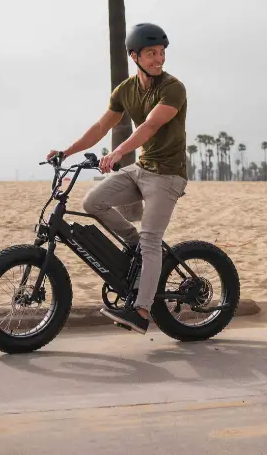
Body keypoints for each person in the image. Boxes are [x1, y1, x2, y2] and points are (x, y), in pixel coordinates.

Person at [47, 23, 188, 334]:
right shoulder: (125, 90)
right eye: (152, 54)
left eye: (162, 53)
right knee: (93, 201)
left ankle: (141, 312)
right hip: (142, 169)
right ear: (134, 56)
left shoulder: (172, 88)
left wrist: (117, 154)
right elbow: (101, 127)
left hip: (167, 176)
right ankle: (135, 245)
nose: (159, 59)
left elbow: (150, 126)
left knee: (152, 240)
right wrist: (66, 152)